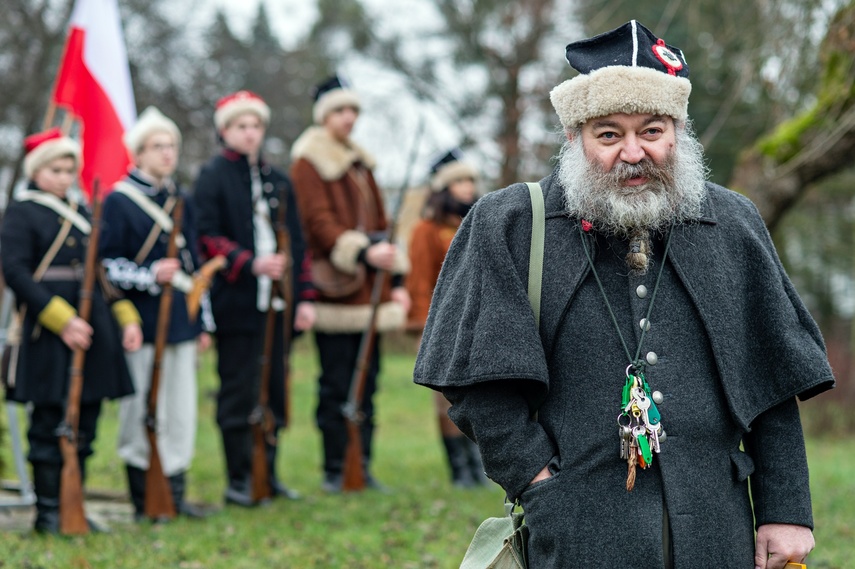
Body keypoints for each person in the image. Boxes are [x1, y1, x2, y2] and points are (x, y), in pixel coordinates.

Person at [414, 21, 834, 569]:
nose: (633, 153)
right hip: (577, 530)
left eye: (652, 131)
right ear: (574, 138)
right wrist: (539, 483)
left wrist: (786, 511)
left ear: (678, 132)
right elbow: (477, 385)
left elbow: (773, 384)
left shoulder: (732, 223)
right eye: (608, 134)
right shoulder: (510, 225)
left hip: (718, 531)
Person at [1, 128, 140, 532]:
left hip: (94, 324)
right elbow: (15, 272)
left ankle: (72, 503)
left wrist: (126, 317)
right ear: (37, 170)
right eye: (55, 169)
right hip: (48, 330)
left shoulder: (82, 213)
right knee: (48, 421)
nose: (63, 177)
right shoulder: (22, 211)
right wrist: (61, 319)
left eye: (68, 169)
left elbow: (99, 272)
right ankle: (48, 512)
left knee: (86, 419)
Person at [194, 90, 316, 506]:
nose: (250, 134)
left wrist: (304, 297)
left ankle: (269, 470)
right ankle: (239, 477)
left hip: (277, 307)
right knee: (238, 389)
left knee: (274, 388)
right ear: (225, 130)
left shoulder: (278, 180)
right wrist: (248, 263)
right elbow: (206, 236)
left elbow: (297, 243)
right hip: (238, 303)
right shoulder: (212, 176)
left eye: (256, 126)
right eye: (241, 126)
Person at [290, 75, 410, 493]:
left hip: (369, 292)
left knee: (368, 381)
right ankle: (335, 467)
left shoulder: (362, 162)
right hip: (335, 290)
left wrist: (395, 276)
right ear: (324, 115)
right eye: (341, 111)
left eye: (353, 111)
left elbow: (382, 223)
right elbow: (317, 223)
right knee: (336, 382)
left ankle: (363, 464)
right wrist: (360, 252)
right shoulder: (307, 162)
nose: (349, 119)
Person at [99, 107, 209, 520]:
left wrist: (203, 323)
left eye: (172, 146)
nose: (167, 154)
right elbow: (105, 265)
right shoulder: (118, 201)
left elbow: (195, 267)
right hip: (139, 323)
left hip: (180, 319)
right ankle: (145, 500)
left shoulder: (181, 199)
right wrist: (148, 274)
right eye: (157, 147)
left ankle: (174, 496)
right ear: (138, 154)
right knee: (141, 411)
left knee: (180, 411)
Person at [406, 149, 485, 487]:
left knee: (482, 397)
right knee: (447, 399)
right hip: (443, 325)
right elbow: (420, 279)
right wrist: (423, 325)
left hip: (479, 322)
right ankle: (459, 470)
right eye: (458, 181)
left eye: (470, 180)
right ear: (443, 187)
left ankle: (478, 464)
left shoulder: (482, 222)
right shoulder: (426, 230)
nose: (467, 187)